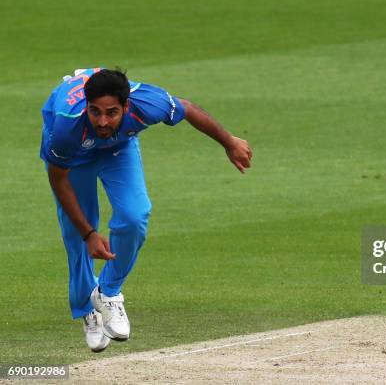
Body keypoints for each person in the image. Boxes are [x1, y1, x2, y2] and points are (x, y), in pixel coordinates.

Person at [40, 68, 252, 352]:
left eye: (112, 112)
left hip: (118, 149)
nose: (103, 121)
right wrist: (89, 233)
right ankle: (87, 310)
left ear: (126, 106)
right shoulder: (67, 125)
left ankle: (108, 292)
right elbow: (58, 178)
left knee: (135, 215)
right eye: (95, 112)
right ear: (86, 107)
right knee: (77, 235)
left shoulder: (148, 103)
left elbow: (187, 108)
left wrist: (229, 142)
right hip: (75, 158)